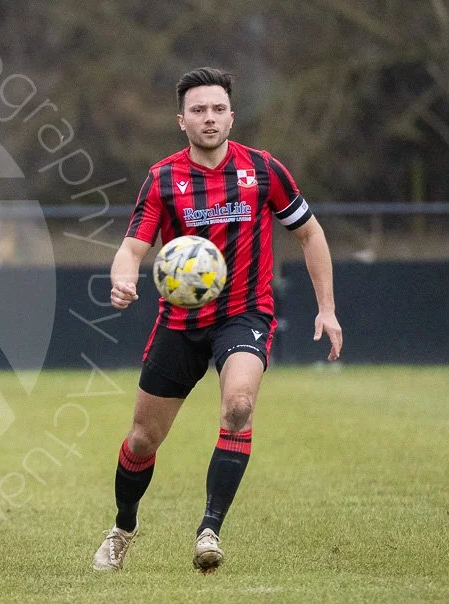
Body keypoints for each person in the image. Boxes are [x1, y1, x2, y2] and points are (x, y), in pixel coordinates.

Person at [91, 67, 343, 573]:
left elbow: (310, 234)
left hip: (244, 314)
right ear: (181, 120)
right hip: (180, 325)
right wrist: (123, 279)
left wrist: (327, 308)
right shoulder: (163, 178)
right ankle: (123, 526)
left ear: (232, 115)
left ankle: (209, 529)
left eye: (218, 109)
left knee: (240, 405)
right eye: (199, 110)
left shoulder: (264, 170)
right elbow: (132, 247)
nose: (209, 118)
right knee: (143, 439)